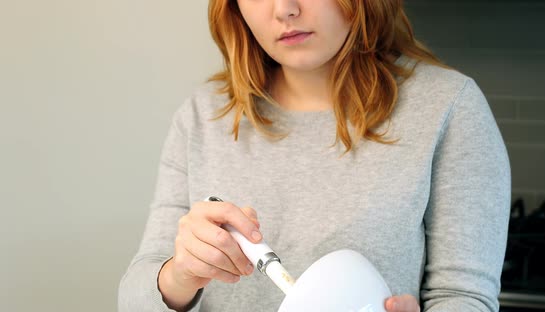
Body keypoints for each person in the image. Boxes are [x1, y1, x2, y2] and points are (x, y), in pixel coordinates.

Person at [118, 0, 511, 311]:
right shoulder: (204, 115)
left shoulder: (448, 107)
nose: (284, 9)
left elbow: (465, 297)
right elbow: (134, 301)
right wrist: (181, 274)